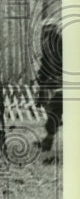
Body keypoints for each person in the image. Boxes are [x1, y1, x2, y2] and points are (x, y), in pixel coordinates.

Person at [35, 17, 62, 152]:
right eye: (44, 29)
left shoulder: (60, 42)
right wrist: (42, 77)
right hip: (54, 81)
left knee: (55, 107)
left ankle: (48, 140)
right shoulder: (47, 43)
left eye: (48, 28)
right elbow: (46, 63)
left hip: (62, 81)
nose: (45, 31)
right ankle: (48, 140)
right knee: (52, 108)